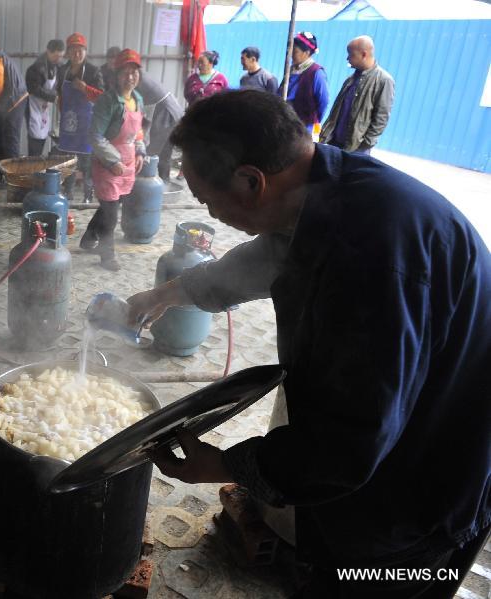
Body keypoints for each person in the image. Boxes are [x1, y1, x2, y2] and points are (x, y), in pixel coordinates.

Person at [127, 90, 491, 599]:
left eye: (208, 200)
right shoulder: (325, 186)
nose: (209, 212)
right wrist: (172, 292)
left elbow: (352, 440)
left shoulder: (371, 257)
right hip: (388, 448)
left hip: (420, 491)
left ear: (251, 180)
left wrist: (227, 465)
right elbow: (269, 255)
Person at [81, 49, 145, 272]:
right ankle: (107, 256)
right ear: (116, 75)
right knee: (110, 214)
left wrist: (140, 152)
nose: (130, 77)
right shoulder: (107, 101)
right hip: (107, 164)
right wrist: (112, 161)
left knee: (111, 205)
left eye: (134, 72)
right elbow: (95, 136)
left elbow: (137, 132)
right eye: (125, 72)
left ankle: (88, 237)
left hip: (127, 165)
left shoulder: (137, 99)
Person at [320, 36, 395, 155]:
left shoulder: (384, 80)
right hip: (335, 144)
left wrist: (365, 144)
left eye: (351, 54)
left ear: (364, 54)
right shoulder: (350, 79)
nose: (347, 58)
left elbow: (381, 117)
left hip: (356, 149)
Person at [56, 33, 105, 203]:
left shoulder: (93, 71)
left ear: (85, 52)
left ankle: (88, 195)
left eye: (80, 50)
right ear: (68, 53)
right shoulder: (62, 70)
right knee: (69, 161)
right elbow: (59, 94)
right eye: (73, 50)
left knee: (87, 162)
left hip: (87, 122)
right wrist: (61, 113)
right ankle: (67, 192)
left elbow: (102, 98)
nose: (77, 54)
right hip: (69, 121)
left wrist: (86, 89)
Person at [135, 70, 183, 181]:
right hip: (170, 110)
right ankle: (162, 183)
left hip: (166, 113)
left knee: (151, 151)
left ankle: (148, 184)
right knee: (163, 152)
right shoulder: (139, 75)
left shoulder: (135, 78)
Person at [280, 31, 329, 135]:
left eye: (295, 51)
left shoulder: (317, 73)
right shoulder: (290, 70)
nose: (291, 54)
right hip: (287, 122)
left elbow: (323, 102)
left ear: (306, 53)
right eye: (291, 50)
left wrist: (312, 118)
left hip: (305, 127)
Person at [25, 39, 65, 157]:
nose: (59, 59)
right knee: (36, 136)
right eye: (56, 56)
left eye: (61, 56)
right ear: (48, 51)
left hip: (44, 106)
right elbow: (34, 89)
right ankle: (33, 162)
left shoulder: (58, 66)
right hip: (33, 105)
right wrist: (54, 97)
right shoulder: (36, 68)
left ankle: (37, 162)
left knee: (42, 135)